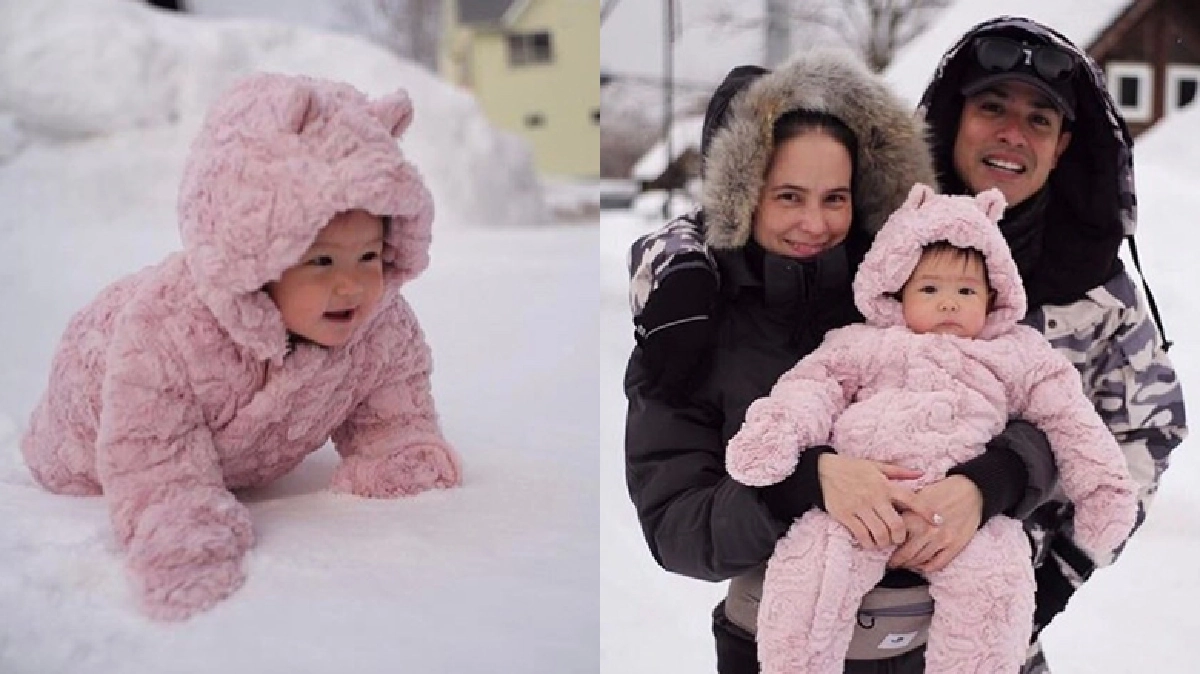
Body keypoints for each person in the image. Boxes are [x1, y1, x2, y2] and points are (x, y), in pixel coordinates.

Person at [627, 17, 1187, 674]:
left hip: (982, 609)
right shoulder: (883, 245)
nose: (1012, 133)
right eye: (992, 107)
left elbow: (1124, 431)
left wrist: (1006, 492)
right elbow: (741, 218)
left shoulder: (1095, 284)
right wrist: (673, 267)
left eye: (1038, 119)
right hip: (806, 611)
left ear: (1064, 143)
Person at [19, 73, 462, 620]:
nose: (351, 285)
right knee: (102, 454)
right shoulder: (167, 332)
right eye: (322, 261)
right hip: (89, 438)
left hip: (233, 457)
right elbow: (151, 444)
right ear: (256, 259)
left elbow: (393, 387)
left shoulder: (380, 323)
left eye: (368, 257)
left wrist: (395, 445)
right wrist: (179, 516)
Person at [727, 184, 1137, 674]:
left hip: (965, 521)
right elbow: (813, 387)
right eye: (929, 289)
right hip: (863, 504)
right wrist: (776, 432)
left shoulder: (1017, 354)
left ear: (994, 295)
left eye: (966, 291)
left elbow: (1070, 419)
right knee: (813, 567)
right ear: (897, 291)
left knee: (997, 578)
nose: (948, 304)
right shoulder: (864, 344)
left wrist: (1104, 490)